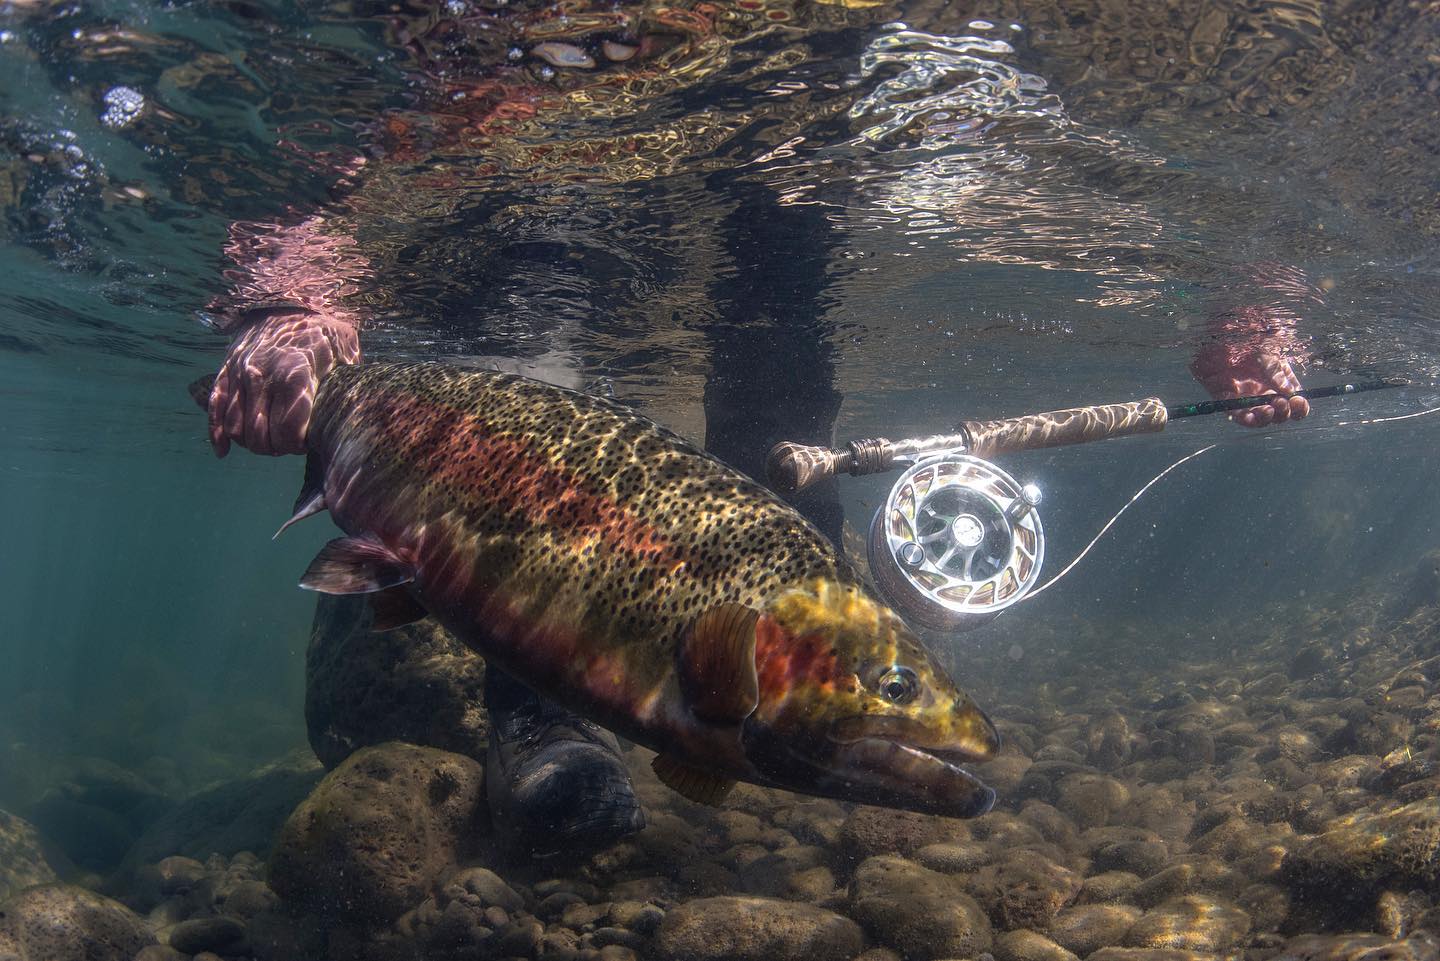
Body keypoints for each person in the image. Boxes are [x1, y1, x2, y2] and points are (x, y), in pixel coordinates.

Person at [198, 0, 1309, 857]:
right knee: (534, 355)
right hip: (536, 193)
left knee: (780, 403)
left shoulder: (830, 75)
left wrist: (1250, 315)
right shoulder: (508, 57)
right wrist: (297, 313)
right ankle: (535, 722)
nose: (944, 739)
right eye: (888, 692)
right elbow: (343, 177)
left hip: (782, 208)